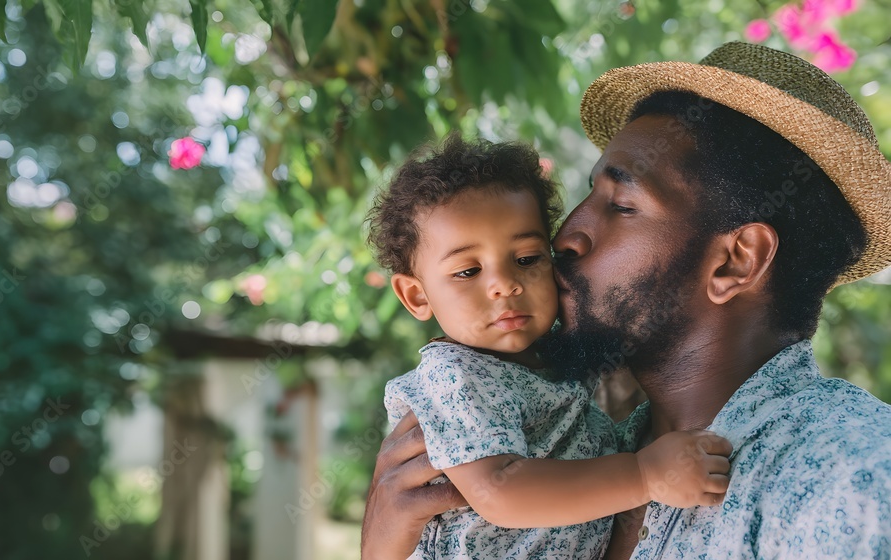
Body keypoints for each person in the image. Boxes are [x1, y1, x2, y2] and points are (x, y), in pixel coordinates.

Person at [362, 41, 891, 560]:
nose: (566, 236)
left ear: (736, 261)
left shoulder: (854, 477)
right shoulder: (586, 451)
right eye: (588, 196)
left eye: (622, 204)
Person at [366, 135, 732, 559]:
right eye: (468, 270)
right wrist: (644, 476)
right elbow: (500, 492)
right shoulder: (455, 377)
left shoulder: (556, 356)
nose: (505, 284)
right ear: (416, 296)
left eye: (526, 259)